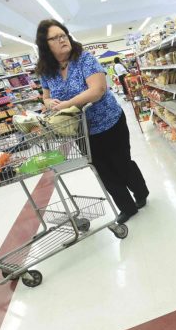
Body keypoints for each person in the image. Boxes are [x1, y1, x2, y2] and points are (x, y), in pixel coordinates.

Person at [35, 19, 148, 224]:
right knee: (103, 171)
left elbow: (97, 90)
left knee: (121, 163)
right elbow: (45, 96)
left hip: (109, 121)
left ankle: (141, 193)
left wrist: (68, 104)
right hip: (82, 131)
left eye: (63, 35)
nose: (62, 40)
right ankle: (126, 207)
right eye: (55, 38)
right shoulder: (46, 71)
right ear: (45, 45)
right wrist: (49, 101)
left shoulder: (85, 59)